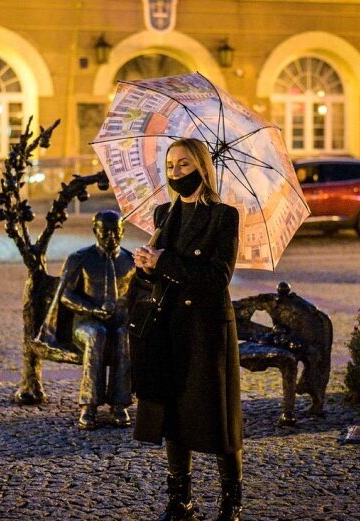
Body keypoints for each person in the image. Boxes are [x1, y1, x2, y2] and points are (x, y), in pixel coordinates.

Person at [131, 138, 244, 521]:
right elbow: (159, 276)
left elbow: (217, 277)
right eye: (171, 166)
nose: (175, 172)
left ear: (201, 167)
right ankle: (180, 500)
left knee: (219, 416)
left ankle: (231, 502)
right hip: (169, 326)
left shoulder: (223, 215)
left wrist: (164, 262)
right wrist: (147, 266)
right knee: (174, 414)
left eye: (183, 164)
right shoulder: (164, 214)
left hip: (208, 328)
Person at [56, 210, 135, 429]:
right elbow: (66, 295)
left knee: (124, 336)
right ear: (95, 231)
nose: (111, 237)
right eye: (105, 232)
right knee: (97, 334)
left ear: (123, 231)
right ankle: (88, 405)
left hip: (119, 322)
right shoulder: (80, 258)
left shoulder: (131, 261)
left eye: (116, 232)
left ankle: (120, 404)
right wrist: (92, 309)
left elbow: (138, 295)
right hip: (86, 323)